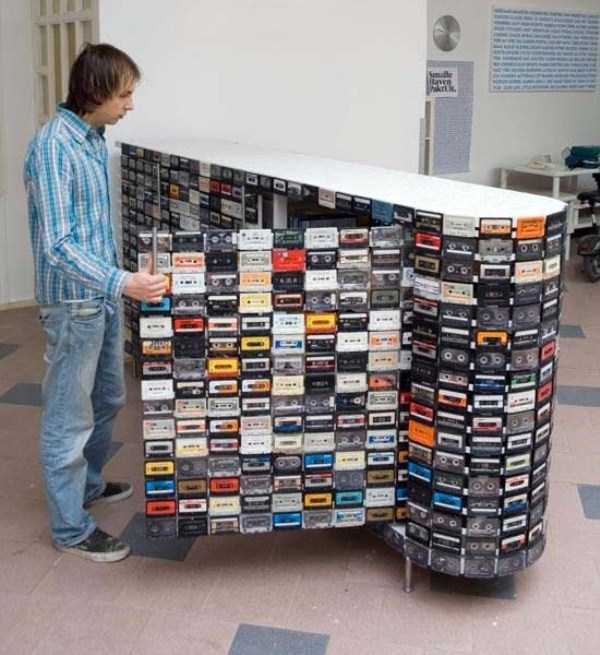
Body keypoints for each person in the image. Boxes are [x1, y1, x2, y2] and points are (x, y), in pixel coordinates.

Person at [23, 43, 167, 562]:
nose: (130, 105)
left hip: (100, 299)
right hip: (72, 306)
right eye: (123, 95)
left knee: (107, 400)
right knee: (69, 418)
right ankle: (70, 528)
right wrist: (122, 282)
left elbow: (90, 230)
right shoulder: (53, 147)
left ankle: (86, 485)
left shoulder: (91, 140)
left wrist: (118, 282)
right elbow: (58, 245)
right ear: (96, 91)